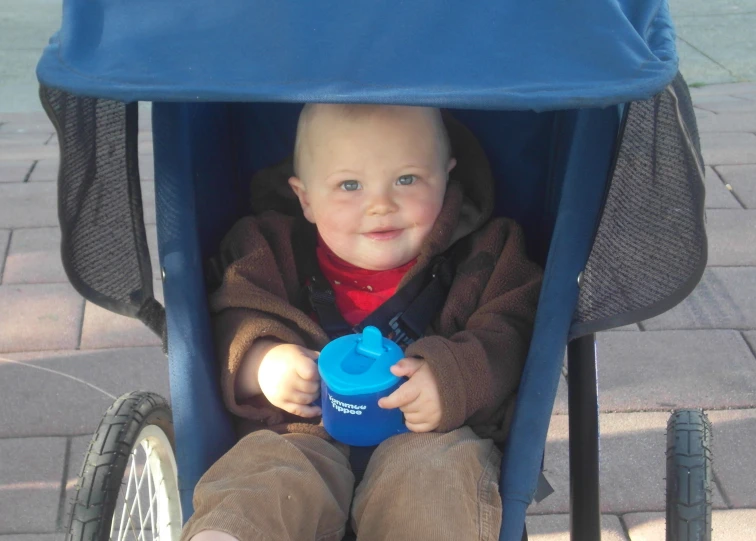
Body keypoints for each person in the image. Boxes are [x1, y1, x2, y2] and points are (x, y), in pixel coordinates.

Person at [182, 104, 543, 541]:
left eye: (406, 179)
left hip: (431, 439)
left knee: (436, 485)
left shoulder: (488, 253)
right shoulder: (268, 248)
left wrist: (451, 378)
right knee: (260, 481)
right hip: (300, 437)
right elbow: (229, 313)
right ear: (306, 198)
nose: (380, 204)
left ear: (447, 177)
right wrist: (263, 360)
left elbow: (511, 334)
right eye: (349, 185)